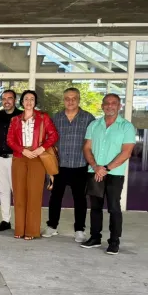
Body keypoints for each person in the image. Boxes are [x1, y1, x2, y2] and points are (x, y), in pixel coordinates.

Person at [81, 94, 136, 254]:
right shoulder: (94, 125)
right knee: (95, 207)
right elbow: (87, 148)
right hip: (95, 172)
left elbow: (126, 152)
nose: (109, 106)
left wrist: (106, 168)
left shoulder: (126, 127)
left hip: (114, 174)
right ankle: (95, 238)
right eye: (106, 103)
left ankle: (114, 241)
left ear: (119, 106)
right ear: (102, 106)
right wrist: (95, 166)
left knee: (114, 208)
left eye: (113, 103)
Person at [43, 88, 96, 242]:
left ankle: (79, 230)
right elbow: (50, 140)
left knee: (80, 199)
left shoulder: (88, 118)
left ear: (79, 100)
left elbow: (93, 142)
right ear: (64, 100)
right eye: (67, 98)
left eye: (74, 98)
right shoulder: (56, 118)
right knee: (55, 198)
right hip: (59, 165)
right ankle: (52, 226)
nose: (70, 101)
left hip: (80, 165)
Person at [7, 90, 59, 240]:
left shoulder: (43, 117)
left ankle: (31, 231)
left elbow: (54, 135)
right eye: (26, 99)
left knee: (34, 194)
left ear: (35, 102)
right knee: (19, 194)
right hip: (19, 157)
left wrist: (41, 149)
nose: (29, 101)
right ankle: (19, 229)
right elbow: (10, 140)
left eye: (32, 99)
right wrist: (22, 150)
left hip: (37, 157)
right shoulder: (15, 120)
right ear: (22, 102)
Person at [0, 90, 23, 232]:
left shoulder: (22, 115)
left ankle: (20, 221)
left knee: (17, 191)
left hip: (14, 158)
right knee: (3, 190)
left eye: (9, 98)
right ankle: (6, 220)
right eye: (4, 99)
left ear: (15, 100)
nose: (6, 101)